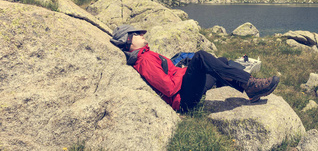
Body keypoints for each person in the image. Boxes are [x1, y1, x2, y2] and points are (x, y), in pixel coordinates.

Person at [110, 24, 280, 112]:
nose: (142, 35)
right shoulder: (144, 60)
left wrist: (184, 71)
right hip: (183, 101)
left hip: (186, 90)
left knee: (220, 61)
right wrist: (185, 72)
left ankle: (248, 88)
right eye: (137, 34)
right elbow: (169, 88)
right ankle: (250, 84)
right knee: (200, 57)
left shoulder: (145, 55)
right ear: (128, 40)